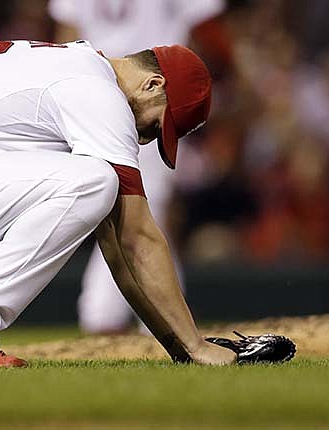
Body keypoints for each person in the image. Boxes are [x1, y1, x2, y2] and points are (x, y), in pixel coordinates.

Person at [0, 40, 295, 367]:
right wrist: (196, 348)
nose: (148, 139)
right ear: (154, 84)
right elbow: (134, 236)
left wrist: (181, 349)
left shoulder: (62, 65)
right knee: (96, 180)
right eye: (159, 127)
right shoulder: (95, 90)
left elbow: (114, 241)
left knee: (83, 184)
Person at [48, 0, 226, 334]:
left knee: (120, 205)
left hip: (93, 86)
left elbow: (66, 36)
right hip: (151, 92)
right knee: (142, 207)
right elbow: (206, 30)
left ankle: (149, 311)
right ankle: (104, 311)